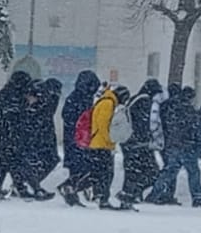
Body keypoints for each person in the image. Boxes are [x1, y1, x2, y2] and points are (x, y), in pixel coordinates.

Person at [0, 70, 35, 197]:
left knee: (5, 161)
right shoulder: (15, 97)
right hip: (9, 133)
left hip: (4, 133)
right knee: (5, 161)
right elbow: (17, 116)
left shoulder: (5, 94)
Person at [154, 85, 201, 206]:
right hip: (187, 146)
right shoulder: (189, 110)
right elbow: (194, 130)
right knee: (194, 173)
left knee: (170, 171)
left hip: (173, 145)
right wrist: (196, 143)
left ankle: (155, 193)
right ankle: (197, 198)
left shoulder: (172, 107)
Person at [117, 79, 163, 208]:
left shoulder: (134, 100)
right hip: (138, 144)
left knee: (132, 171)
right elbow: (142, 124)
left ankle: (128, 197)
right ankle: (129, 194)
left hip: (128, 142)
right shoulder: (144, 102)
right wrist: (147, 140)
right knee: (153, 172)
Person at [59, 70, 100, 204]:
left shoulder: (78, 97)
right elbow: (71, 118)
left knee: (80, 168)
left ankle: (72, 193)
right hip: (78, 139)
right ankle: (70, 190)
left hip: (77, 138)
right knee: (82, 168)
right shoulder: (79, 98)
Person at [19, 77, 61, 200]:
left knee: (48, 160)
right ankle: (33, 185)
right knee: (29, 162)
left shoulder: (44, 104)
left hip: (42, 136)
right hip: (35, 137)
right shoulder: (39, 105)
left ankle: (31, 184)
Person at [83, 82, 123, 209]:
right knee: (106, 174)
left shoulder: (106, 100)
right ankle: (102, 198)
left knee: (99, 173)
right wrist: (110, 140)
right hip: (101, 144)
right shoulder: (108, 103)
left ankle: (99, 195)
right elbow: (103, 124)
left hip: (98, 144)